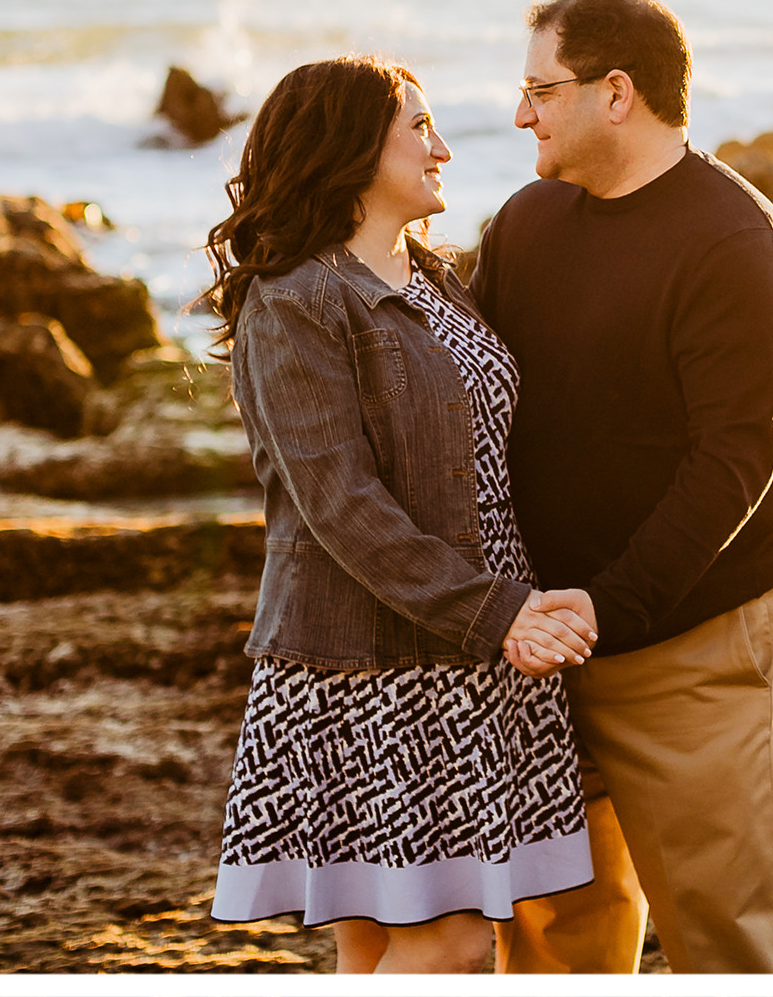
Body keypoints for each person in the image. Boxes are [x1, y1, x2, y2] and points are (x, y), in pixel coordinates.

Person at [203, 55, 604, 974]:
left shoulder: (436, 277)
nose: (445, 150)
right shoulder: (295, 298)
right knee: (456, 944)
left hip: (471, 656)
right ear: (348, 150)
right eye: (418, 129)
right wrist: (499, 613)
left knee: (378, 944)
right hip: (372, 670)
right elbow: (341, 506)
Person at [471, 0, 773, 975]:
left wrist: (609, 608)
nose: (520, 112)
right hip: (546, 642)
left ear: (615, 92)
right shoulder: (527, 222)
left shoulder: (730, 240)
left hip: (696, 643)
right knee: (550, 935)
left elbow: (733, 463)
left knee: (736, 934)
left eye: (540, 87)